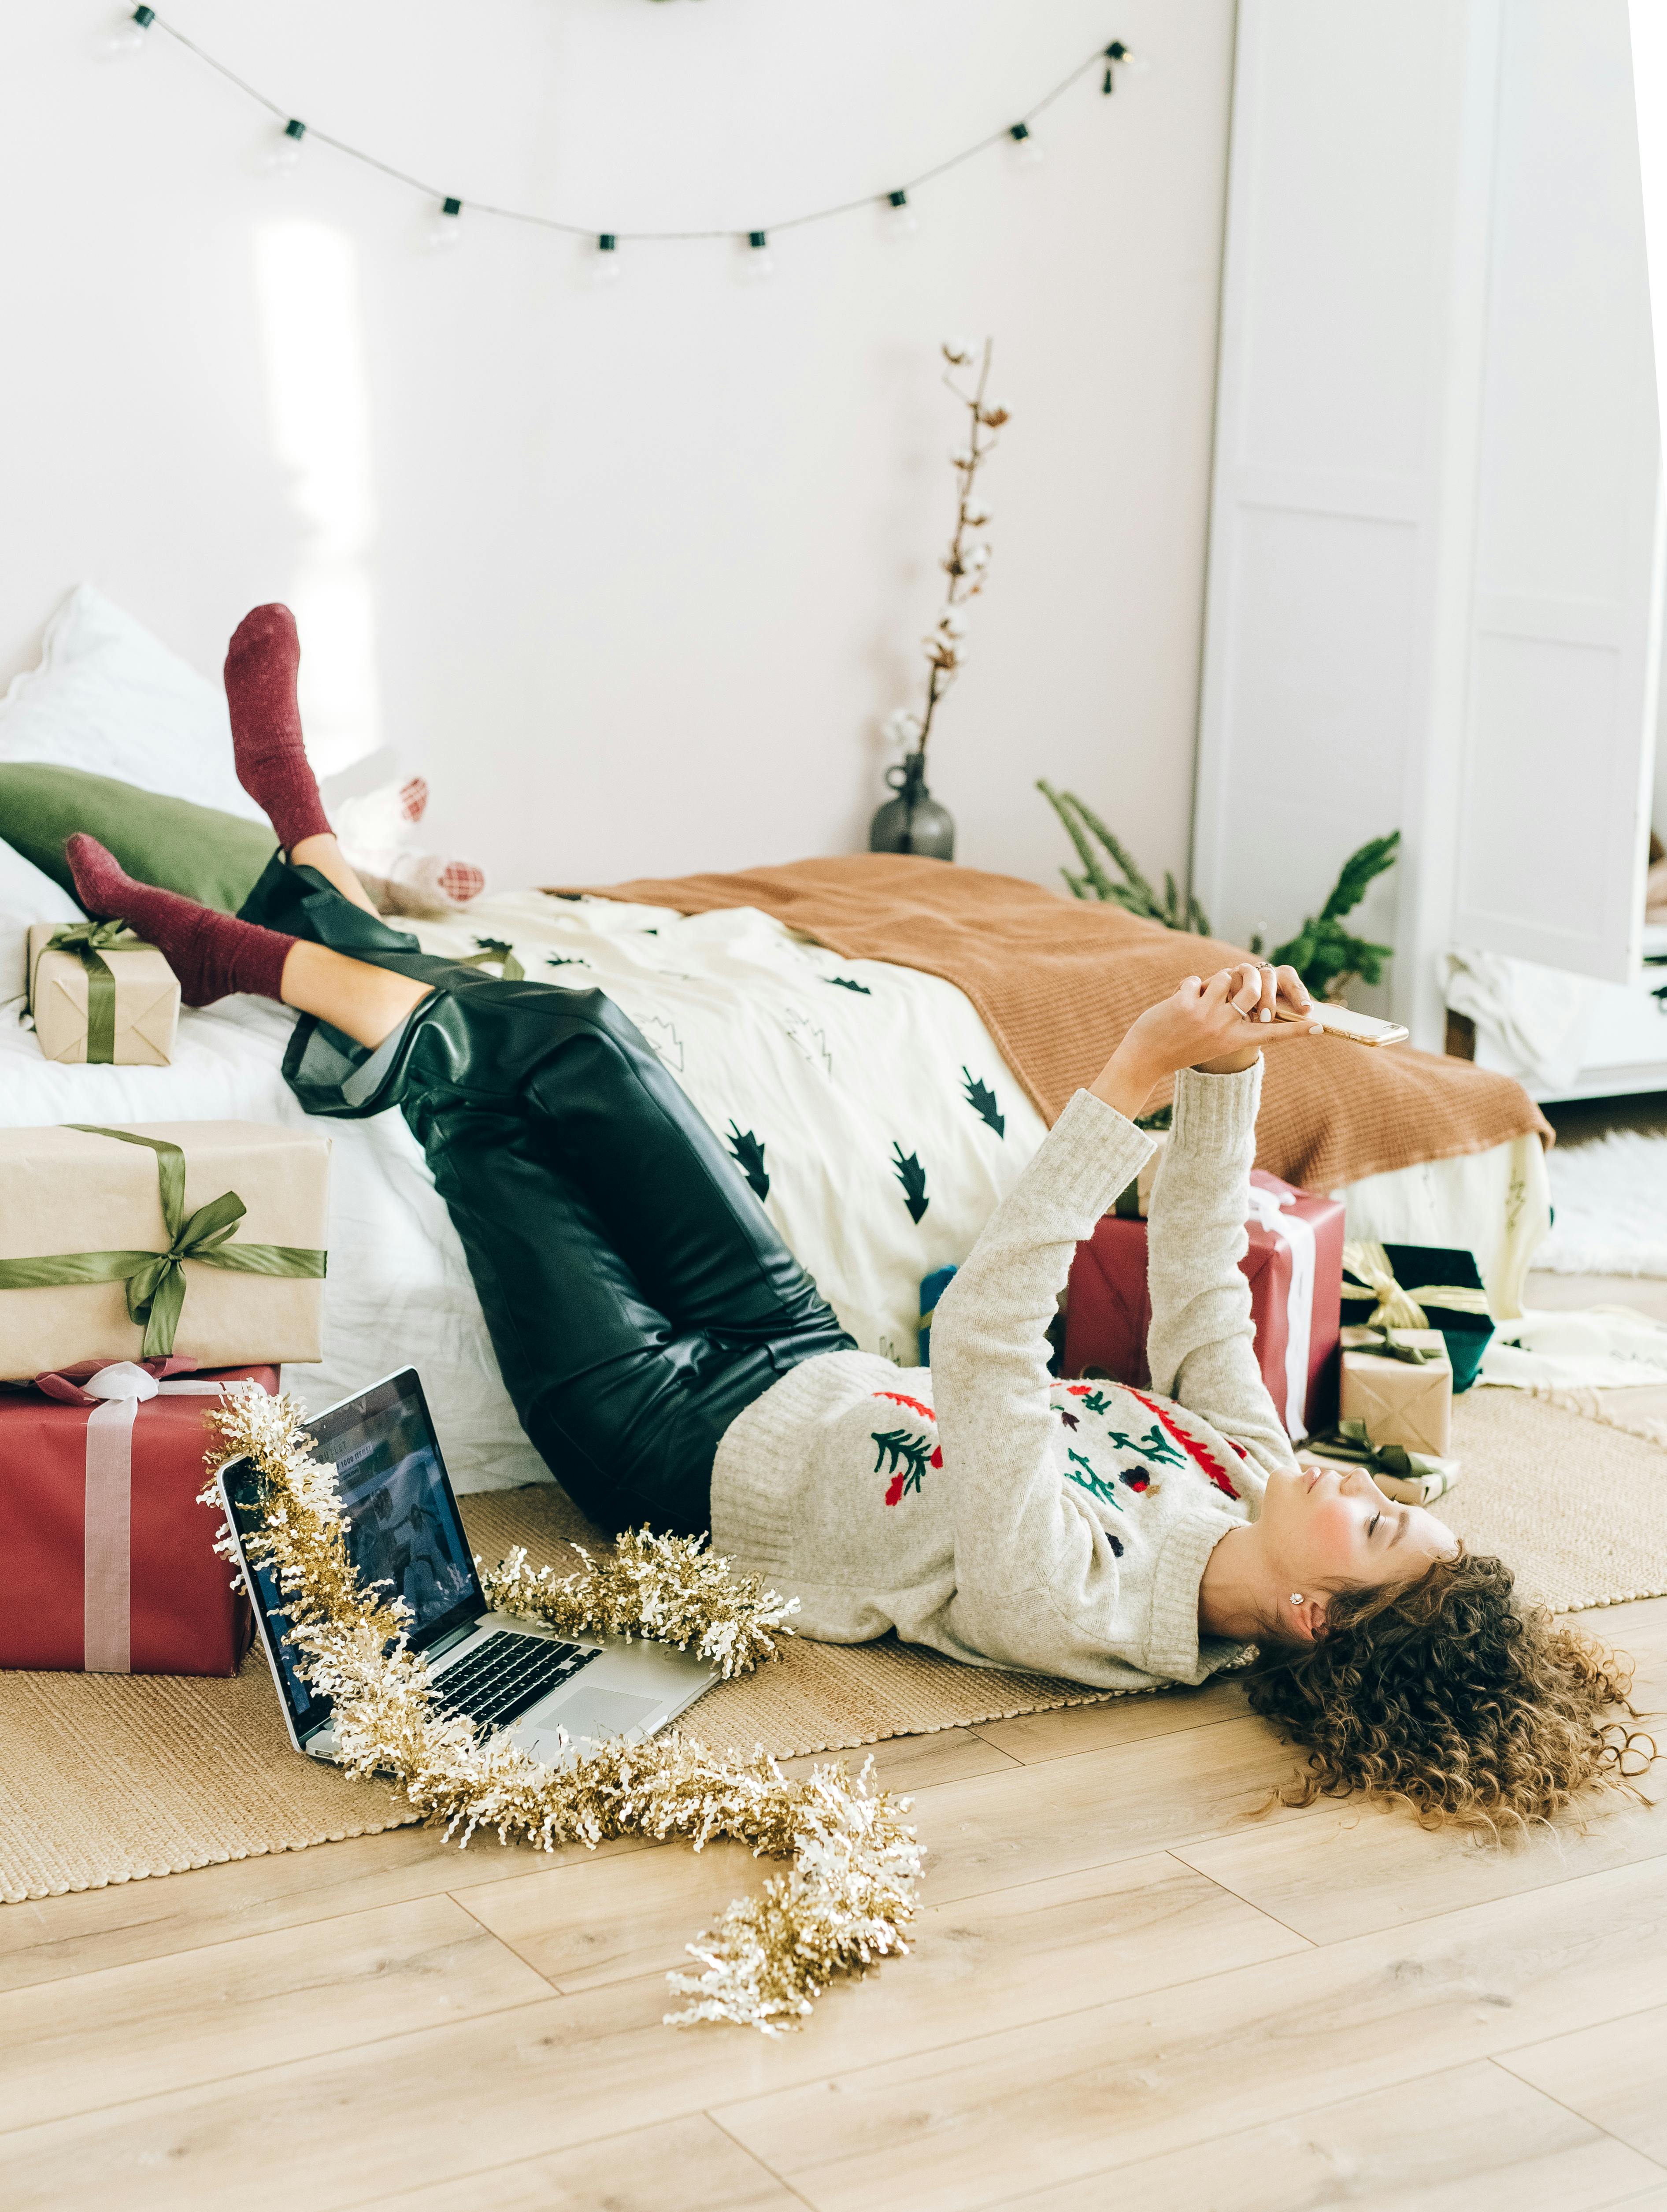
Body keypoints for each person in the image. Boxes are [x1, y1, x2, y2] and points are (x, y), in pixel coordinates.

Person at [63, 605, 1637, 1831]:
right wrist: (1233, 1067)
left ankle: (245, 923)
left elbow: (989, 1336)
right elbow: (1207, 1294)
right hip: (790, 1348)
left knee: (475, 1083)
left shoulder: (1076, 1598)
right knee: (588, 1036)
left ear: (1307, 1614)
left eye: (1369, 1520)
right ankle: (304, 882)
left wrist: (1127, 1078)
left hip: (664, 1444)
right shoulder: (1245, 1468)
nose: (1346, 1476)